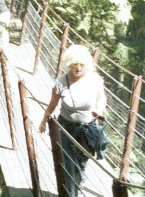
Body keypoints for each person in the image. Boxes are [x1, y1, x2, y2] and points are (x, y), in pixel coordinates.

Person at [39, 44, 107, 197]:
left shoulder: (94, 80)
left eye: (81, 65)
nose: (77, 68)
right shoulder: (62, 82)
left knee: (82, 160)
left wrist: (100, 110)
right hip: (66, 127)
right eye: (74, 65)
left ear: (86, 64)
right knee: (69, 162)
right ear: (69, 65)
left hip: (88, 128)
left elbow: (102, 98)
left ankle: (79, 176)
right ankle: (71, 193)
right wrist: (44, 120)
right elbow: (53, 103)